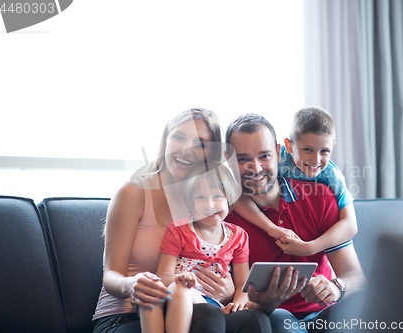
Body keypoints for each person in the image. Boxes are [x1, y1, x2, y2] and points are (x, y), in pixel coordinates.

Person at [92, 108, 271, 333]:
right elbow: (111, 275)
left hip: (199, 309)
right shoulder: (133, 192)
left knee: (255, 321)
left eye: (200, 144)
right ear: (165, 139)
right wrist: (131, 285)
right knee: (206, 316)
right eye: (178, 137)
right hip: (126, 315)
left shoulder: (209, 203)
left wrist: (229, 292)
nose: (186, 149)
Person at [224, 113, 365, 333]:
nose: (256, 168)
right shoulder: (221, 217)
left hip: (325, 313)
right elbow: (233, 300)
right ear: (228, 159)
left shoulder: (321, 196)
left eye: (264, 156)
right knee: (278, 320)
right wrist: (266, 302)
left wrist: (336, 288)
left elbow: (355, 275)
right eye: (243, 159)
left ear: (279, 151)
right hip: (269, 318)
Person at [139, 162, 250, 333]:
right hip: (179, 295)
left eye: (217, 197)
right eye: (200, 198)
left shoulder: (238, 236)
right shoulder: (178, 230)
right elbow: (163, 274)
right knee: (176, 290)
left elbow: (244, 283)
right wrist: (180, 278)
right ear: (190, 203)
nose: (209, 205)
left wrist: (238, 303)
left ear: (230, 198)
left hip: (212, 304)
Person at [233, 107, 357, 256]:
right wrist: (271, 228)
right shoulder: (275, 157)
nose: (315, 160)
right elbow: (237, 193)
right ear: (289, 146)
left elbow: (350, 225)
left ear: (332, 147)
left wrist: (310, 248)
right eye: (308, 150)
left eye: (324, 151)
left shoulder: (331, 176)